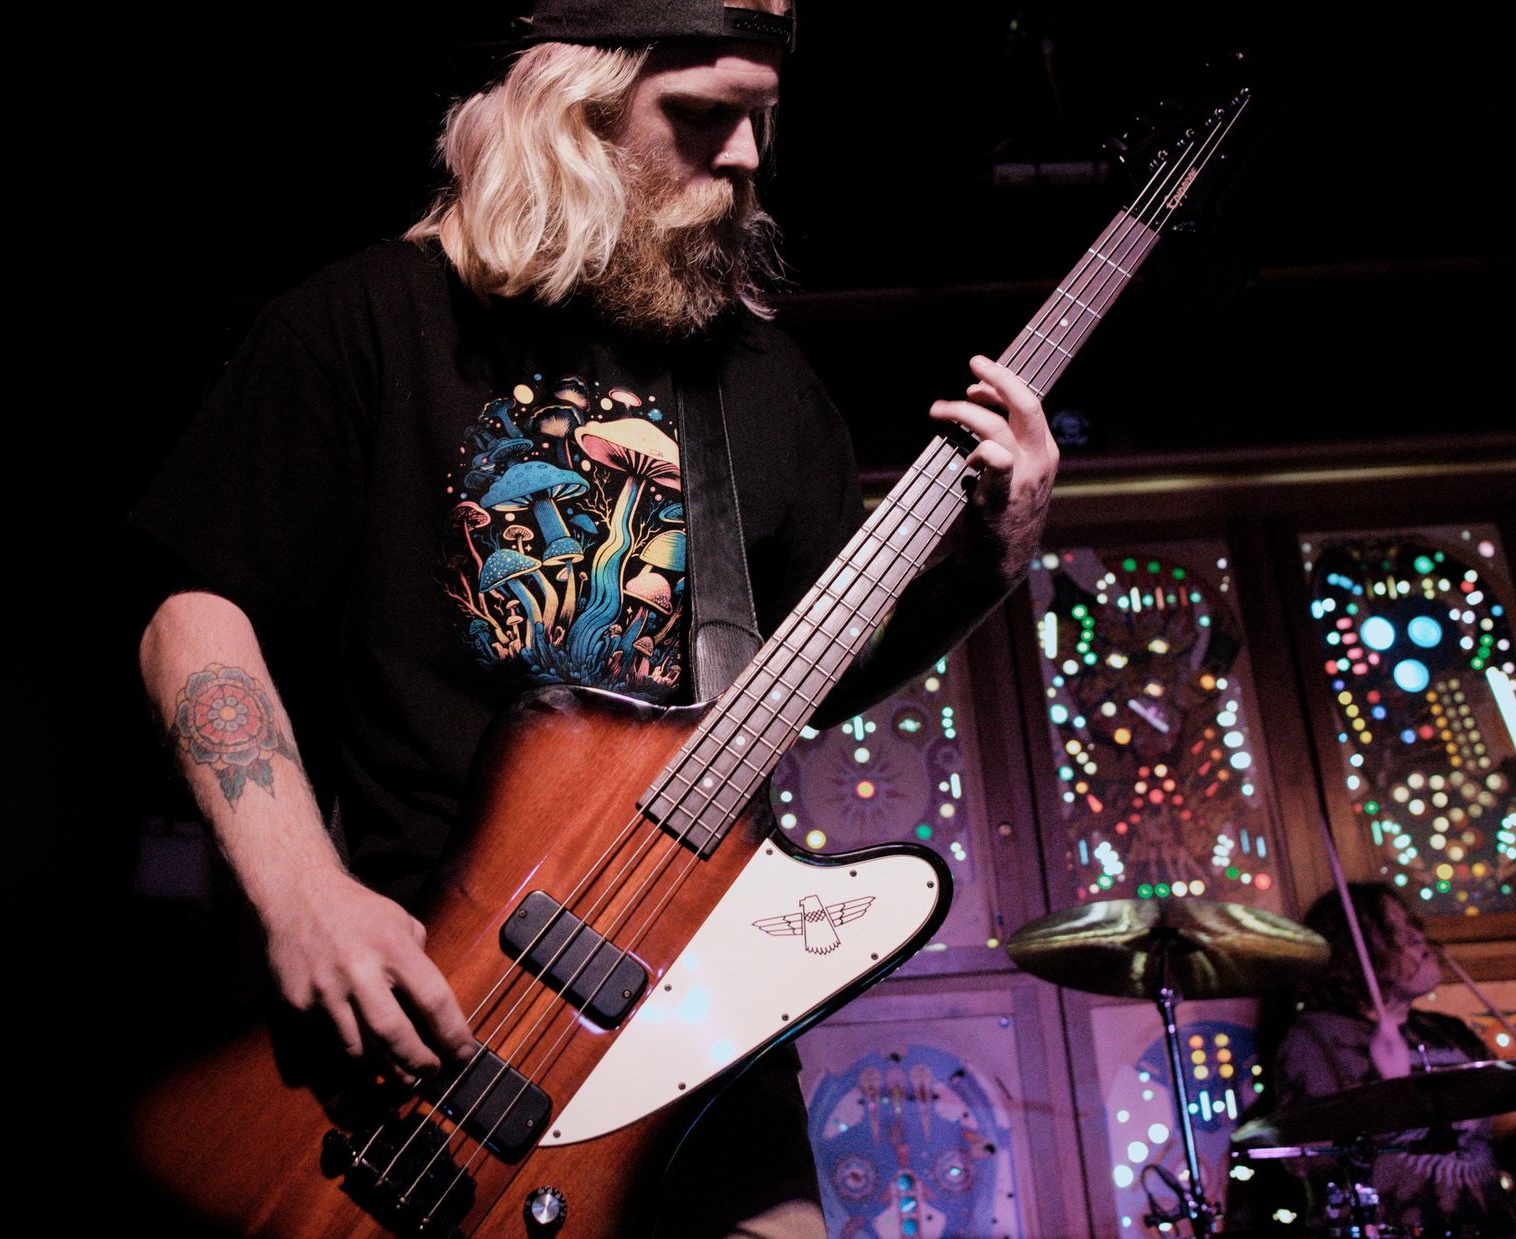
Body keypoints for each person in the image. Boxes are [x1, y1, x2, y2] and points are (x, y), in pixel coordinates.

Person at [124, 2, 1058, 1234]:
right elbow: (194, 608)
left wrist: (993, 554)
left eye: (762, 121)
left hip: (700, 1034)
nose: (746, 157)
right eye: (704, 115)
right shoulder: (364, 321)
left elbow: (809, 681)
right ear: (578, 106)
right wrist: (302, 893)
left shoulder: (762, 385)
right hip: (424, 1025)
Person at [1268, 884, 1516, 1238]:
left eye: (1412, 925)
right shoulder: (1318, 1037)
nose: (1417, 937)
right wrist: (1391, 1100)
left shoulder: (1450, 1031)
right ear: (1351, 950)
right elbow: (1305, 1161)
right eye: (1392, 930)